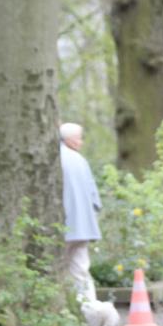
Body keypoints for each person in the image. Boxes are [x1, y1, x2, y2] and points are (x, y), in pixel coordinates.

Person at [59, 123, 103, 303]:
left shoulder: (57, 157)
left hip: (63, 225)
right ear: (68, 139)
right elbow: (94, 197)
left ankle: (68, 309)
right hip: (83, 226)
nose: (81, 142)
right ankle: (89, 308)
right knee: (80, 270)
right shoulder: (80, 160)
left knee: (58, 269)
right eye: (78, 138)